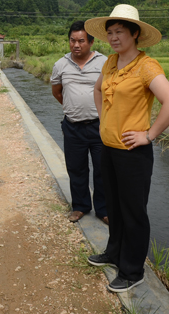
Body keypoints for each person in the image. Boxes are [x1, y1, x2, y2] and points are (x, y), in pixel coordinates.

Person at [84, 4, 169, 293]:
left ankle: (132, 270)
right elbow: (98, 90)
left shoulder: (146, 66)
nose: (113, 38)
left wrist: (148, 135)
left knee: (133, 212)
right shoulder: (110, 62)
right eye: (110, 33)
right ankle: (114, 252)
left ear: (135, 34)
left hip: (132, 154)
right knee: (113, 206)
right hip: (109, 148)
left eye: (120, 32)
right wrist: (105, 121)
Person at [51, 21, 108, 224]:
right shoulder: (61, 64)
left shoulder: (105, 62)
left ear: (91, 42)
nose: (76, 45)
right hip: (73, 126)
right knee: (76, 169)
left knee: (103, 170)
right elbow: (57, 91)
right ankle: (80, 206)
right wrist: (73, 106)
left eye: (81, 41)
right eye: (72, 40)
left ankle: (103, 210)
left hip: (99, 126)